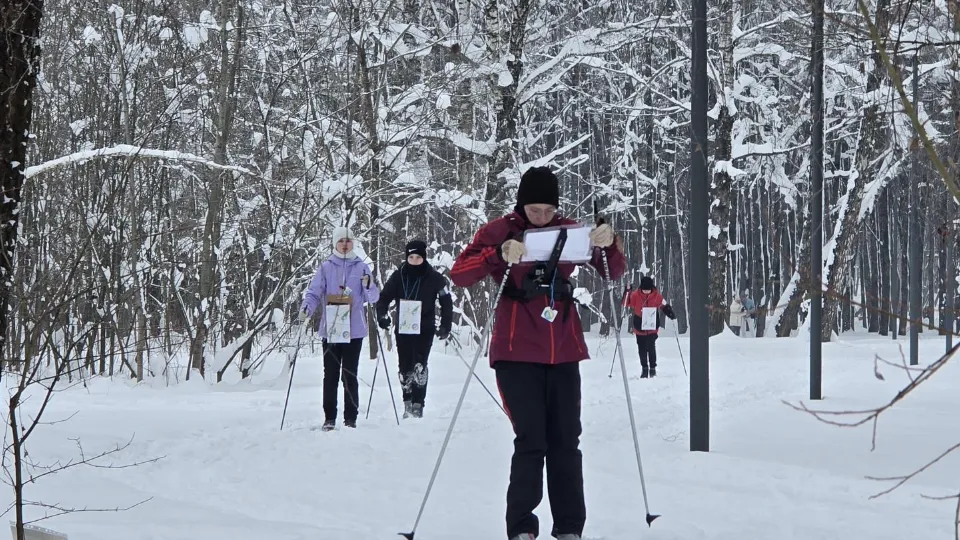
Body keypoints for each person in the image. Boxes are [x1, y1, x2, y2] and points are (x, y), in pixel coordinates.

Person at [450, 166, 626, 540]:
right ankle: (522, 527)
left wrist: (608, 242)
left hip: (563, 348)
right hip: (515, 350)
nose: (542, 217)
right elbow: (460, 273)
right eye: (534, 210)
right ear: (522, 205)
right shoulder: (499, 231)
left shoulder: (571, 231)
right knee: (531, 439)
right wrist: (498, 255)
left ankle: (569, 527)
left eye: (548, 210)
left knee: (566, 440)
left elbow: (612, 271)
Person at [300, 226, 380, 431]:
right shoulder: (326, 267)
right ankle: (329, 418)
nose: (345, 244)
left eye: (348, 240)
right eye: (341, 241)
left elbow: (373, 297)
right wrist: (307, 308)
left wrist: (369, 284)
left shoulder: (361, 267)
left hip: (354, 330)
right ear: (335, 243)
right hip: (332, 329)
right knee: (331, 375)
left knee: (350, 374)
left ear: (353, 243)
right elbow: (314, 292)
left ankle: (350, 418)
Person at [375, 239, 453, 419]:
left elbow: (446, 301)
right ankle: (407, 402)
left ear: (424, 258)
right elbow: (384, 298)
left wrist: (445, 325)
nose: (415, 261)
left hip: (424, 327)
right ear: (406, 257)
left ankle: (418, 404)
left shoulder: (434, 277)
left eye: (418, 257)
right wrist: (382, 316)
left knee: (419, 365)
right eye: (411, 257)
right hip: (404, 327)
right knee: (405, 367)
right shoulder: (398, 276)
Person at [627, 276, 676, 378]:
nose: (646, 292)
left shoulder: (657, 296)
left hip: (652, 328)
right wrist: (627, 292)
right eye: (644, 290)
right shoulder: (635, 295)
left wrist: (669, 312)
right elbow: (626, 303)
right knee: (642, 349)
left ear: (651, 288)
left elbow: (663, 304)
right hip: (639, 328)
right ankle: (644, 368)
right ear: (641, 288)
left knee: (651, 347)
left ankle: (652, 368)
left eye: (648, 290)